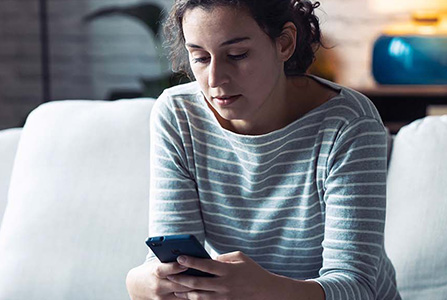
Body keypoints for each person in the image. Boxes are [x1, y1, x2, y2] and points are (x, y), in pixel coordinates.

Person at [126, 0, 401, 299]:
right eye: (201, 58)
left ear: (284, 43)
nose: (216, 80)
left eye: (237, 54)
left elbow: (357, 287)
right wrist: (140, 281)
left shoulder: (349, 123)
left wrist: (264, 289)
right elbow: (167, 263)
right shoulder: (178, 115)